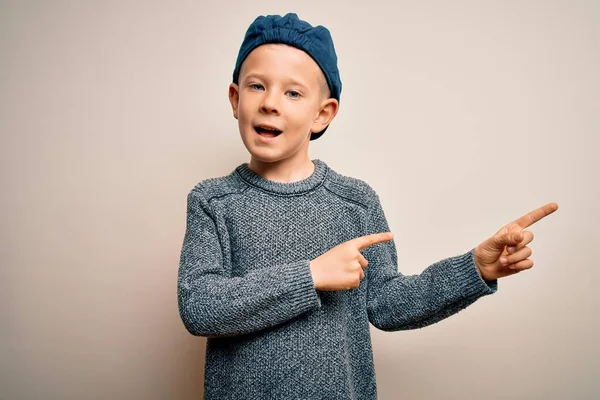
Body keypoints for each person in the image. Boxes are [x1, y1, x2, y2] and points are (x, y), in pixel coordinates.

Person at [177, 12, 559, 400]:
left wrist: (473, 269)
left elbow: (388, 303)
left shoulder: (355, 203)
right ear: (236, 99)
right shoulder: (212, 200)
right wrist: (310, 275)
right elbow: (200, 306)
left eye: (293, 92)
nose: (271, 103)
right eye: (257, 86)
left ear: (322, 114)